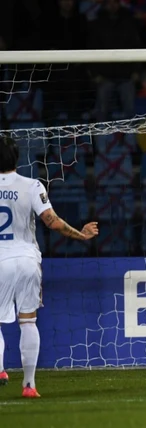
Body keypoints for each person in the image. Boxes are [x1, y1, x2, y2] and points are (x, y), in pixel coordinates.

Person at [0, 136, 98, 397]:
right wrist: (81, 234)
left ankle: (0, 369)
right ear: (17, 158)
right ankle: (29, 385)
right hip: (27, 260)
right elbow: (52, 221)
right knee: (28, 322)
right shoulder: (32, 185)